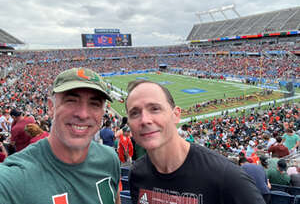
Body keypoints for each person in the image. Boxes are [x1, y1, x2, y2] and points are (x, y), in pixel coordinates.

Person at [126, 80, 265, 204]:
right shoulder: (137, 174)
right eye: (135, 113)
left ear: (176, 115)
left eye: (155, 109)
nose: (145, 120)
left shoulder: (228, 177)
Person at [0, 67, 121, 204]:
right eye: (71, 101)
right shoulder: (15, 177)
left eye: (94, 104)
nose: (83, 114)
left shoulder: (110, 159)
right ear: (51, 107)